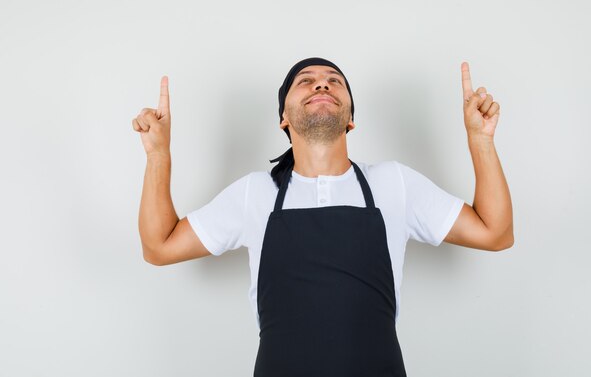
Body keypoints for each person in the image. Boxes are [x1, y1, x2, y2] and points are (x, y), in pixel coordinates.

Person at [132, 57, 514, 376]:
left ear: (350, 119)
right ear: (284, 117)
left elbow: (495, 232)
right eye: (306, 81)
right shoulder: (256, 192)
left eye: (335, 81)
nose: (321, 85)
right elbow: (159, 246)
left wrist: (480, 141)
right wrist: (158, 155)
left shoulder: (393, 183)